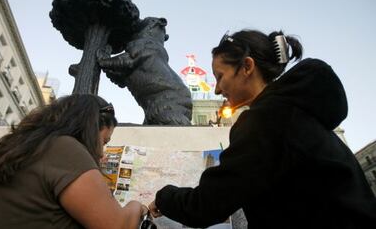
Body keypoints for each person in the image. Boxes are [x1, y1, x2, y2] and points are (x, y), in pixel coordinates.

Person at [149, 29, 376, 228]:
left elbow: (207, 205)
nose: (217, 89)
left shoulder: (265, 120)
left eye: (220, 76)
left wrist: (163, 197)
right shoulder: (297, 110)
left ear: (247, 66)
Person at [0, 94, 148, 229]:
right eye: (104, 141)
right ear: (90, 129)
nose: (101, 153)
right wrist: (137, 206)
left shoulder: (29, 148)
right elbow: (117, 226)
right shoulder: (64, 148)